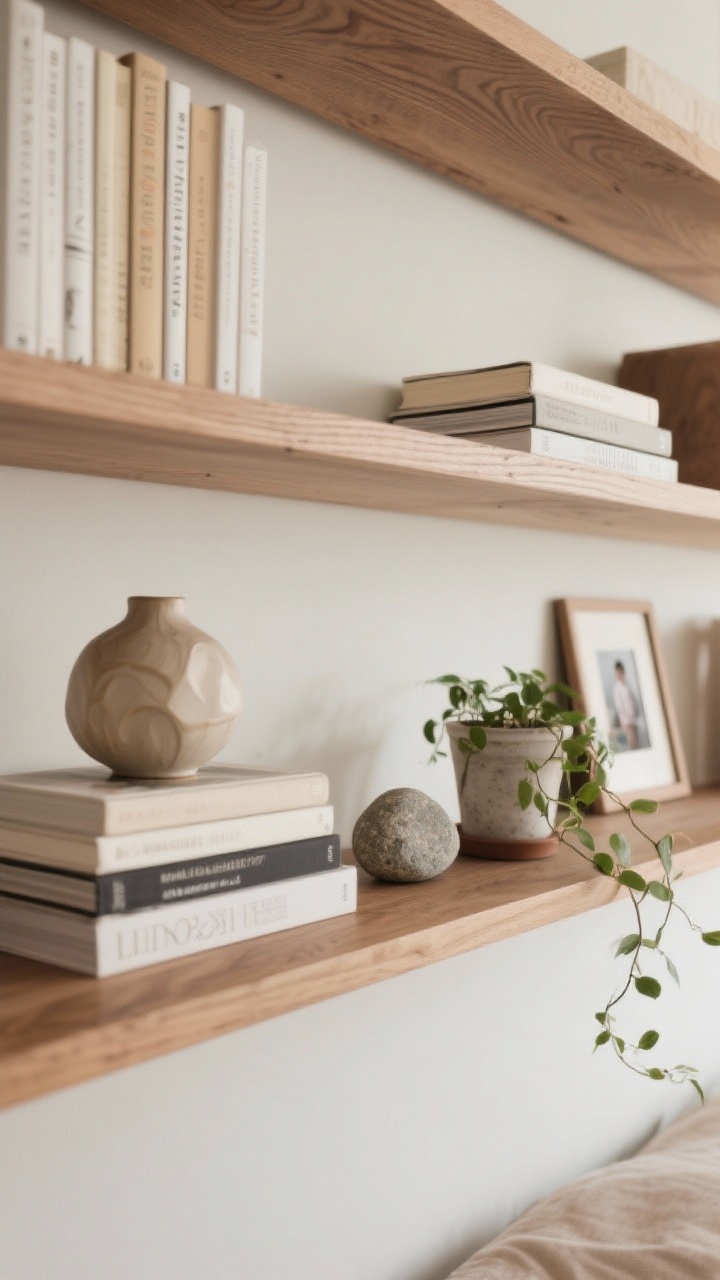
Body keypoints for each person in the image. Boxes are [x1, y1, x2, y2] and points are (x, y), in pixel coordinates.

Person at [612, 660, 640, 749]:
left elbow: (633, 700)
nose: (620, 674)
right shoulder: (617, 688)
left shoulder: (627, 685)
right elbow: (619, 706)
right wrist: (626, 719)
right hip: (626, 720)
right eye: (618, 672)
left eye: (621, 671)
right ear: (616, 673)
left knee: (636, 741)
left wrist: (635, 713)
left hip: (633, 717)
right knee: (631, 742)